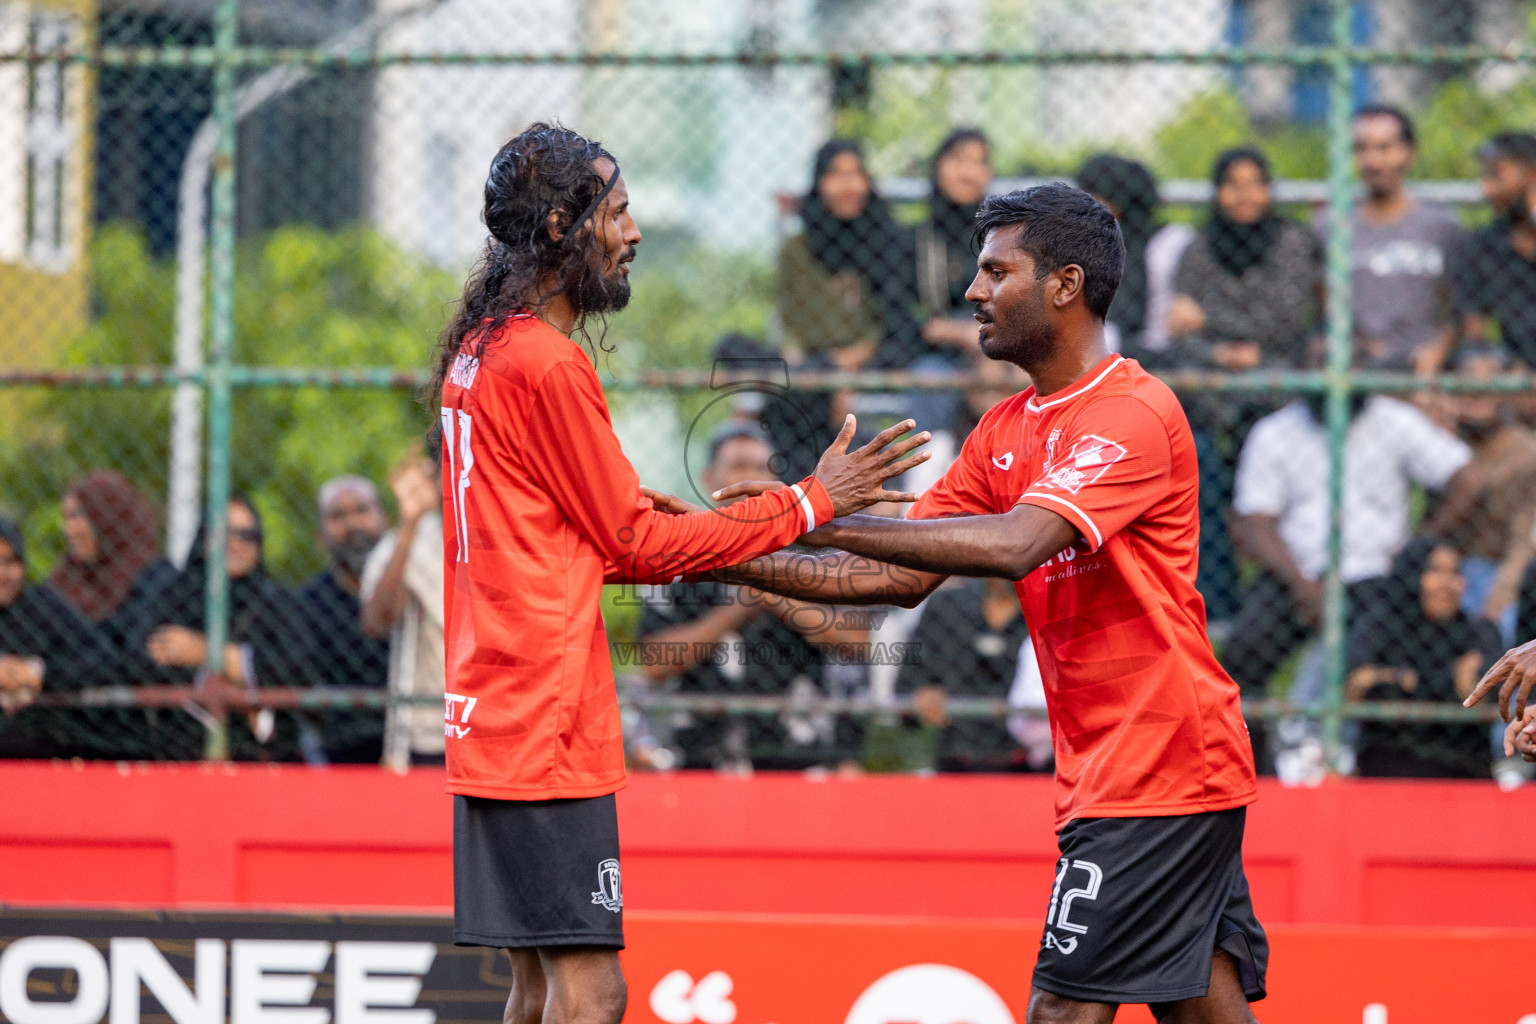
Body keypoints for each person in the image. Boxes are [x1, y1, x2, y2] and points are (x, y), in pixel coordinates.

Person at [657, 183, 1267, 1021]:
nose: (973, 291)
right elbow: (898, 580)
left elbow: (1016, 541)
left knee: (1062, 1011)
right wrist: (718, 548)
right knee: (1206, 1007)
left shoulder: (1132, 412)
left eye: (995, 271)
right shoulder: (1004, 428)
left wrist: (822, 516)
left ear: (1065, 284)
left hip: (1156, 766)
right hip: (1143, 767)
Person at [427, 123, 926, 1024]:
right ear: (556, 227)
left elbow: (589, 521)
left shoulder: (484, 350)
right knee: (592, 990)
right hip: (543, 720)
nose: (634, 231)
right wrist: (811, 502)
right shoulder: (544, 361)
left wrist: (741, 517)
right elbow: (633, 546)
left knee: (537, 987)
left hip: (493, 709)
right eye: (616, 211)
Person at [637, 423, 869, 772]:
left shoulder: (810, 548)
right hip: (702, 751)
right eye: (738, 466)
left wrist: (773, 592)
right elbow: (654, 662)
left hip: (799, 750)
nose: (749, 479)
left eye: (760, 468)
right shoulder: (677, 553)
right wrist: (738, 608)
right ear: (708, 478)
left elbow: (858, 639)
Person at [1226, 386, 1479, 704]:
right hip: (1294, 572)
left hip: (1376, 574)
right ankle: (1253, 748)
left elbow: (1466, 478)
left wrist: (1415, 550)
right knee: (1242, 651)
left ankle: (1347, 746)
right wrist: (1303, 587)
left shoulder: (1394, 420)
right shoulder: (1276, 430)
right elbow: (1256, 521)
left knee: (1373, 653)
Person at [138, 496, 318, 762]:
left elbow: (298, 668)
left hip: (266, 756)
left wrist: (208, 654)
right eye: (224, 533)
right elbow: (145, 657)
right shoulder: (173, 596)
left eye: (247, 535)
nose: (235, 544)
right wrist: (244, 667)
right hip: (181, 752)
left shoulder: (276, 601)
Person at [1347, 538, 1505, 778]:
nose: (1447, 584)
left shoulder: (1480, 631)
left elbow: (1485, 697)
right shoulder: (1380, 626)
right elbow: (1355, 688)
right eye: (1436, 571)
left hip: (1462, 768)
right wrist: (1449, 682)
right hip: (1388, 765)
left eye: (1454, 573)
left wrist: (1396, 679)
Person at [1328, 105, 1462, 374]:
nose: (1373, 161)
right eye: (1361, 149)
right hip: (1358, 366)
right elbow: (1324, 303)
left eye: (1384, 148)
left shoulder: (1441, 225)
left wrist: (1436, 353)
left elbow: (1459, 307)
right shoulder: (1332, 226)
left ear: (1408, 154)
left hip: (1425, 364)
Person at [1168, 147, 1322, 370]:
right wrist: (1218, 353)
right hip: (1212, 365)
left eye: (1254, 184)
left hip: (1279, 361)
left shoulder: (1291, 241)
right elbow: (1181, 326)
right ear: (1218, 191)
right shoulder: (1199, 247)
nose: (1244, 195)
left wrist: (1208, 318)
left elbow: (1286, 320)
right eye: (1233, 185)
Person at [776, 138, 920, 370]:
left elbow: (896, 317)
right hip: (814, 359)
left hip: (875, 355)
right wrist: (798, 354)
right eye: (835, 174)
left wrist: (857, 354)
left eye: (855, 174)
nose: (847, 185)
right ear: (819, 183)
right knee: (732, 348)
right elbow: (790, 317)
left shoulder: (887, 239)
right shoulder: (798, 248)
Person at [0, 518, 121, 758]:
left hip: (45, 744)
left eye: (9, 561)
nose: (1, 573)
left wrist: (37, 672)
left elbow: (104, 659)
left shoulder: (42, 607)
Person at [359, 445, 445, 771]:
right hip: (427, 734)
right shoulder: (407, 542)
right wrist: (410, 523)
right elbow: (376, 621)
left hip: (496, 728)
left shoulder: (500, 537)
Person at [893, 576, 1032, 772]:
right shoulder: (948, 605)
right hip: (956, 761)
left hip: (1031, 765)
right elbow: (906, 685)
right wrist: (923, 695)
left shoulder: (1051, 611)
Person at [297, 475, 391, 764]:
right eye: (338, 516)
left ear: (384, 522)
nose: (352, 525)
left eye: (362, 511)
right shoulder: (307, 602)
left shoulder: (409, 589)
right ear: (320, 536)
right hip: (334, 745)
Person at [1446, 345, 1536, 646]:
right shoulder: (1440, 444)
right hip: (1448, 568)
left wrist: (1503, 592)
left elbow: (1524, 540)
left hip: (1499, 571)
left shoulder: (1526, 453)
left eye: (1488, 383)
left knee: (1506, 629)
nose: (1477, 394)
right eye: (1469, 383)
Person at [1075, 153, 1194, 363]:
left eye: (1094, 197)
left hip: (1164, 350)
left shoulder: (1171, 240)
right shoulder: (1089, 243)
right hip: (1110, 347)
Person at [50, 470, 177, 654]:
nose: (68, 530)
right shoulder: (66, 578)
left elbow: (133, 655)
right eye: (66, 518)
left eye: (77, 516)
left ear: (108, 518)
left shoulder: (155, 580)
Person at [1453, 132, 1536, 370]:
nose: (1487, 190)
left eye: (1496, 177)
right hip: (1515, 373)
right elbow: (1474, 332)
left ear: (1532, 175)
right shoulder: (1483, 246)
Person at [914, 128, 992, 363]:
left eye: (979, 162)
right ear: (938, 167)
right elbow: (901, 315)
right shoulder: (917, 239)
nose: (967, 172)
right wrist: (955, 333)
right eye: (958, 159)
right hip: (937, 354)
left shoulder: (1001, 237)